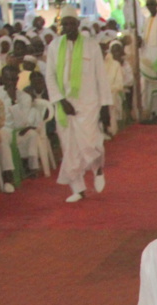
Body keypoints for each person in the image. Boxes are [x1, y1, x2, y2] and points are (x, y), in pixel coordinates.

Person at [44, 7, 111, 203]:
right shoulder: (55, 46)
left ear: (78, 24)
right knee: (69, 147)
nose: (68, 27)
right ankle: (78, 188)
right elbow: (49, 76)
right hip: (64, 105)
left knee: (90, 142)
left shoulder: (91, 45)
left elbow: (101, 77)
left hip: (88, 104)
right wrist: (61, 100)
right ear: (61, 26)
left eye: (71, 23)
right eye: (64, 24)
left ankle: (98, 167)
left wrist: (105, 106)